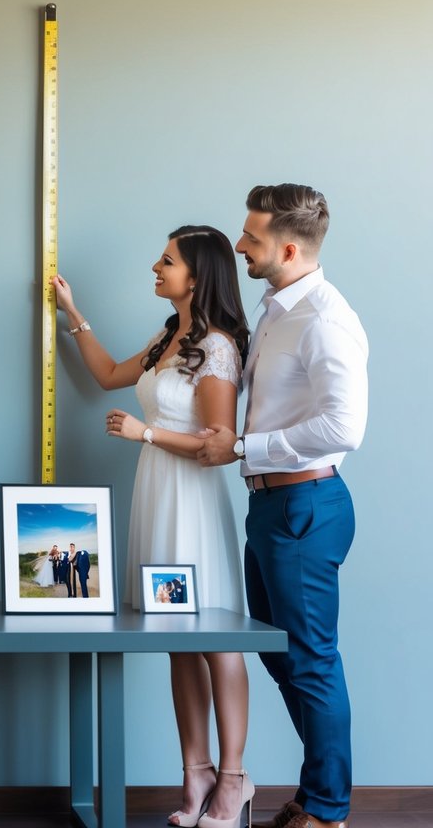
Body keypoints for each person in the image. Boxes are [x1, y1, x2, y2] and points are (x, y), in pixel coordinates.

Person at [53, 224, 251, 828]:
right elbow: (110, 374)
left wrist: (148, 434)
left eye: (167, 261)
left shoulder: (217, 346)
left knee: (215, 638)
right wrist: (72, 313)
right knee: (175, 639)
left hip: (190, 497)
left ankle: (235, 779)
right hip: (155, 494)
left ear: (198, 275)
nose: (155, 268)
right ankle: (195, 774)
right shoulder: (173, 336)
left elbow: (218, 444)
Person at [197, 184, 367, 828]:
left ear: (288, 247)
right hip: (271, 505)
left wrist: (244, 443)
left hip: (305, 506)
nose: (239, 244)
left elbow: (343, 428)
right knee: (280, 652)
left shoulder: (325, 318)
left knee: (312, 657)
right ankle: (321, 789)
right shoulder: (275, 309)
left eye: (251, 237)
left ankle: (326, 809)